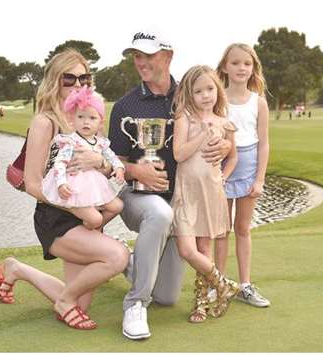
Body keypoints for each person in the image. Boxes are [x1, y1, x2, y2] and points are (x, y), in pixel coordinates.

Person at [0, 49, 130, 330]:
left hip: (88, 216)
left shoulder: (86, 119)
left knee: (82, 304)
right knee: (117, 256)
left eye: (84, 78)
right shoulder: (45, 122)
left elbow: (105, 171)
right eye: (70, 78)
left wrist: (102, 163)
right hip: (56, 217)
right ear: (56, 80)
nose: (78, 85)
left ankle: (17, 270)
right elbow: (32, 184)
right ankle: (65, 301)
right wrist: (77, 207)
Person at [108, 30, 233, 339]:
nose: (141, 62)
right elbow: (112, 164)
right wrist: (138, 170)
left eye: (148, 55)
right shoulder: (126, 106)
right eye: (137, 56)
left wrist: (227, 147)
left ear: (168, 56)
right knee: (160, 215)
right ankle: (135, 304)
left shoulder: (190, 94)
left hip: (183, 199)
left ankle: (129, 261)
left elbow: (217, 125)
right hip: (139, 196)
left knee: (166, 297)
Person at [171, 65, 239, 323]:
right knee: (188, 249)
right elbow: (179, 154)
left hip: (211, 192)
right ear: (189, 94)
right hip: (186, 193)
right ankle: (224, 285)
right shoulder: (184, 117)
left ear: (217, 90)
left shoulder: (225, 124)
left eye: (210, 89)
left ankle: (201, 304)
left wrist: (224, 176)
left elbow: (233, 157)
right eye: (198, 91)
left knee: (204, 248)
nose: (205, 95)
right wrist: (201, 135)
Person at [214, 43, 271, 308]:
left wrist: (259, 179)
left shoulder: (258, 102)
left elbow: (264, 143)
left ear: (253, 69)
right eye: (235, 63)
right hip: (223, 168)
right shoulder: (217, 99)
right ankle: (219, 284)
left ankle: (245, 285)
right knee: (221, 231)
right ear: (225, 67)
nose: (241, 68)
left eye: (246, 64)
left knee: (243, 229)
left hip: (249, 169)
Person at [41, 87, 125, 230]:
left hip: (93, 183)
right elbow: (60, 163)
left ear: (100, 122)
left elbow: (112, 156)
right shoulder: (71, 142)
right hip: (74, 185)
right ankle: (87, 231)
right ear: (73, 119)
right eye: (81, 117)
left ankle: (90, 232)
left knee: (118, 206)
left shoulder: (100, 142)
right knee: (96, 218)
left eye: (92, 118)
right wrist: (61, 183)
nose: (86, 122)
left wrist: (119, 168)